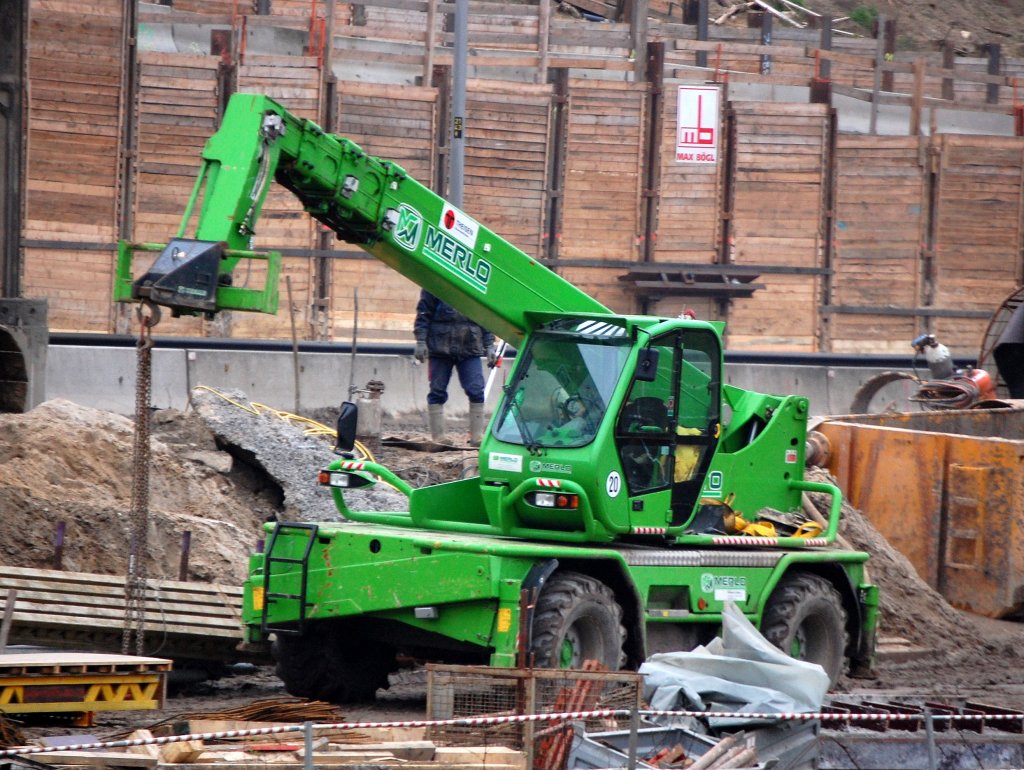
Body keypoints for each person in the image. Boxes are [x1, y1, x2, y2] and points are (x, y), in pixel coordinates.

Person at [414, 290, 497, 444]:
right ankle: (438, 437)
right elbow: (424, 313)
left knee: (476, 389)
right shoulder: (434, 284)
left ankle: (477, 436)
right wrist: (420, 341)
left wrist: (490, 345)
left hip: (470, 347)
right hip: (440, 348)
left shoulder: (476, 285)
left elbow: (486, 317)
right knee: (437, 391)